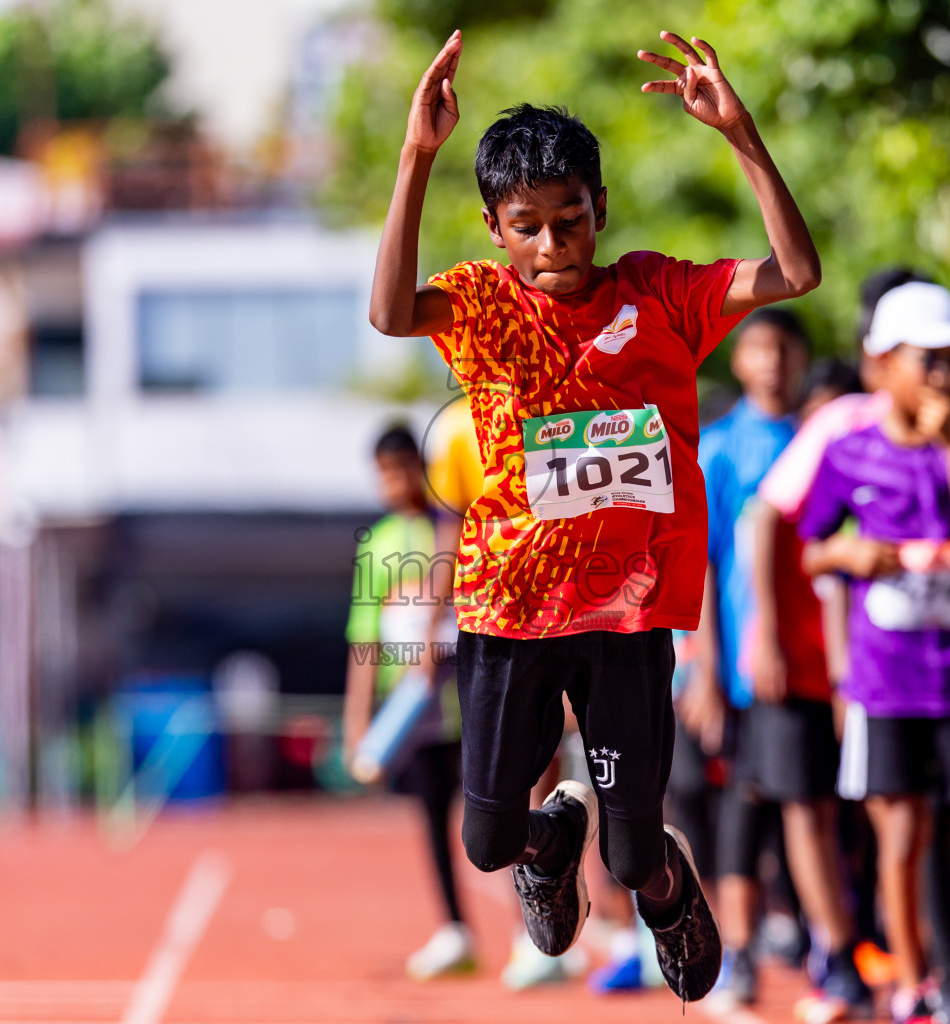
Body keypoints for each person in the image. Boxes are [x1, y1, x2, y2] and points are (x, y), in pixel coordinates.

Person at [366, 27, 821, 1002]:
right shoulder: (484, 304)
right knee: (488, 837)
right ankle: (545, 841)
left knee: (629, 852)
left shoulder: (661, 292)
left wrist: (741, 136)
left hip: (626, 611)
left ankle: (668, 897)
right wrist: (417, 156)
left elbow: (796, 274)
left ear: (599, 208)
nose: (552, 244)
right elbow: (391, 315)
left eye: (570, 220)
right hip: (504, 610)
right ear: (495, 228)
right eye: (527, 225)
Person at [797, 282, 950, 1024]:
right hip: (886, 681)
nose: (942, 375)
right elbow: (810, 551)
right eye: (925, 359)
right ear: (879, 367)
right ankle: (912, 983)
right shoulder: (848, 450)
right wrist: (851, 551)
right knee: (900, 833)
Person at [678, 307, 824, 1008]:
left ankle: (821, 942)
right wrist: (705, 668)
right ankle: (735, 950)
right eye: (760, 349)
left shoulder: (818, 439)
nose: (773, 362)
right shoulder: (719, 448)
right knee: (742, 805)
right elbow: (699, 568)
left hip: (818, 663)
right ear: (738, 361)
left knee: (812, 806)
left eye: (785, 349)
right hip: (743, 667)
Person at [343, 424, 472, 981]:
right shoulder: (378, 544)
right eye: (383, 473)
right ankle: (454, 928)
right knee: (432, 818)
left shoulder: (453, 528)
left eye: (401, 469)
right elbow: (363, 639)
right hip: (413, 715)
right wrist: (357, 726)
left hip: (465, 702)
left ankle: (531, 927)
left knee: (496, 816)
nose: (393, 483)